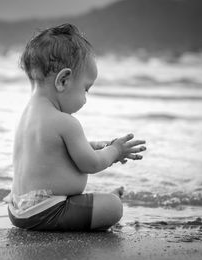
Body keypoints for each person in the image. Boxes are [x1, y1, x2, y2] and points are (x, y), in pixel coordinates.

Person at [7, 23, 146, 231]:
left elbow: (53, 151)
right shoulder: (66, 122)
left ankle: (94, 207)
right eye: (85, 89)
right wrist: (115, 150)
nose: (85, 98)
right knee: (113, 207)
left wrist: (93, 145)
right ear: (63, 80)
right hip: (48, 211)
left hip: (17, 209)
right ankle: (103, 205)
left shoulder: (27, 116)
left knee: (99, 203)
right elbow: (90, 164)